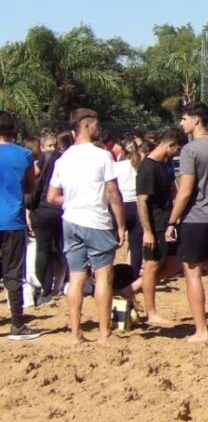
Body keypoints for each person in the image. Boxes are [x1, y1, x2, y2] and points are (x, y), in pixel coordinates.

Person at [47, 108, 126, 345]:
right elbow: (113, 193)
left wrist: (73, 199)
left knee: (76, 277)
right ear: (87, 126)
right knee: (103, 276)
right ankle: (104, 333)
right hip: (97, 221)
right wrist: (121, 224)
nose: (98, 128)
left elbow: (52, 197)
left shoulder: (63, 159)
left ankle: (75, 333)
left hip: (71, 220)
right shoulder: (102, 156)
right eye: (96, 125)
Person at [166, 102, 208, 342]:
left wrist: (172, 221)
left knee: (193, 275)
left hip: (195, 219)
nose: (181, 123)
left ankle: (201, 330)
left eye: (184, 119)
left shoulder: (190, 150)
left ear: (196, 120)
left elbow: (184, 192)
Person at [135, 127, 187, 328]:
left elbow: (173, 188)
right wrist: (147, 232)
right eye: (177, 149)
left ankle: (131, 289)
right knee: (152, 266)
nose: (177, 154)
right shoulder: (148, 167)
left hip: (167, 222)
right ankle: (152, 313)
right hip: (154, 224)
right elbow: (142, 201)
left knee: (173, 264)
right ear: (170, 145)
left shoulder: (164, 164)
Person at [1, 111, 41, 340]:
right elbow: (29, 187)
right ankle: (17, 324)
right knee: (13, 273)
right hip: (13, 221)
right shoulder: (24, 155)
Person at [27, 130, 72, 306]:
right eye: (50, 145)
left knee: (43, 251)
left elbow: (30, 181)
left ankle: (45, 291)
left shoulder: (41, 161)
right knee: (58, 250)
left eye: (54, 145)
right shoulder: (64, 160)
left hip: (42, 210)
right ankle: (58, 286)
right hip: (59, 208)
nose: (52, 148)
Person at [114, 136, 144, 279]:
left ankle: (106, 273)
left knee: (112, 242)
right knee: (135, 244)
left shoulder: (117, 166)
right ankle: (134, 275)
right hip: (137, 205)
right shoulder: (140, 165)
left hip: (122, 204)